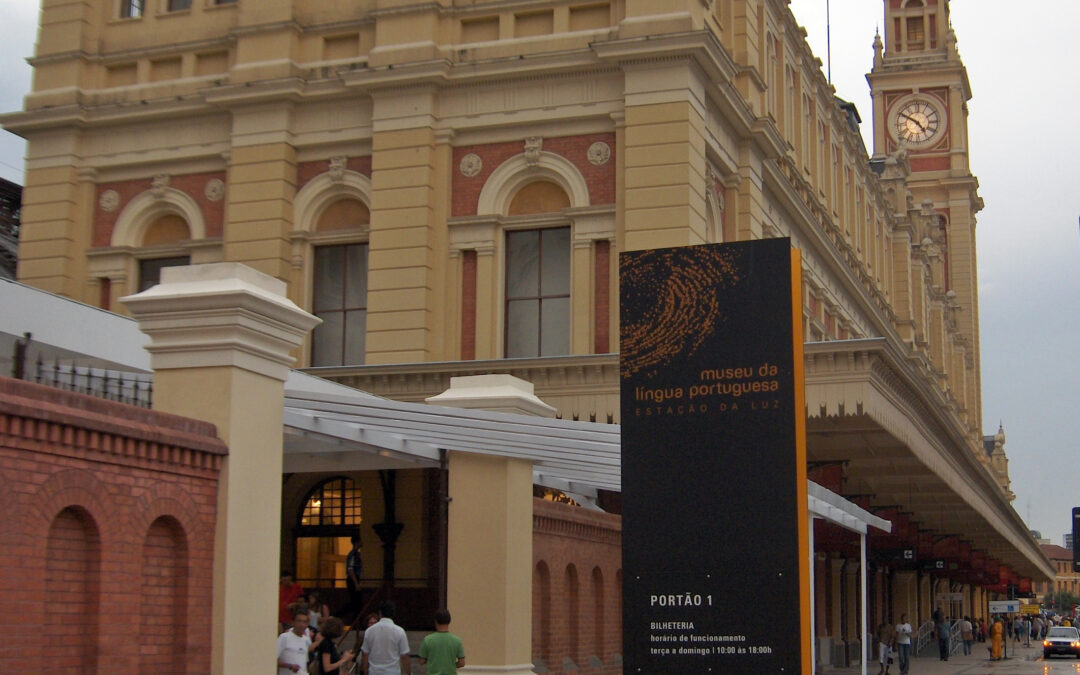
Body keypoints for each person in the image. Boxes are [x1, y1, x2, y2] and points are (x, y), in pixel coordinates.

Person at [361, 601, 411, 675]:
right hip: (393, 672)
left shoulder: (369, 631)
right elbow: (404, 656)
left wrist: (365, 671)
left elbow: (365, 654)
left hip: (374, 671)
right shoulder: (399, 631)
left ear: (380, 613)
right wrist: (409, 673)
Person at [418, 609, 466, 675]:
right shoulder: (457, 641)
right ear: (449, 621)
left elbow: (421, 661)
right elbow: (462, 663)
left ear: (436, 621)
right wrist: (451, 665)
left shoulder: (427, 640)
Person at [277, 609, 323, 675]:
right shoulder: (284, 637)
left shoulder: (306, 640)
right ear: (293, 622)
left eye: (304, 622)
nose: (301, 624)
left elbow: (304, 662)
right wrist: (290, 666)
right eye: (299, 621)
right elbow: (273, 660)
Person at [345, 536, 364, 623]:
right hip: (353, 579)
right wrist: (356, 583)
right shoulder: (353, 554)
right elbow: (350, 569)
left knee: (356, 603)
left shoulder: (356, 554)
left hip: (355, 578)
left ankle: (355, 621)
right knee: (356, 602)